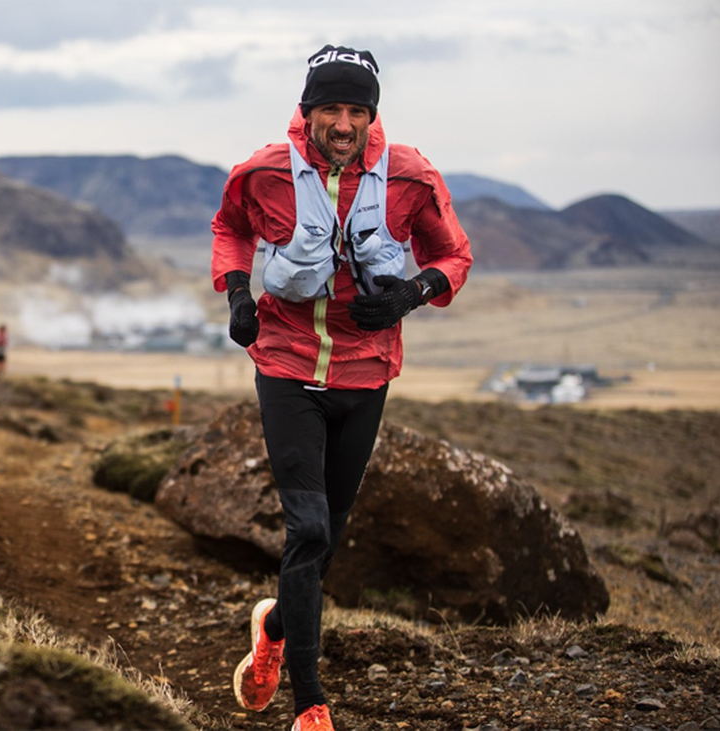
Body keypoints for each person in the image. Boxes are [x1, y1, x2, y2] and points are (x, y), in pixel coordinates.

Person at [211, 44, 472, 731]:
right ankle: (310, 703)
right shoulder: (266, 171)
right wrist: (238, 294)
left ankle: (272, 629)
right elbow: (229, 228)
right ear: (309, 111)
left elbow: (455, 255)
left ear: (371, 115)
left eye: (357, 109)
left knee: (325, 543)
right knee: (309, 526)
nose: (344, 122)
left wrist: (408, 296)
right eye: (331, 107)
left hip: (365, 374)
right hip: (287, 367)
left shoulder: (409, 176)